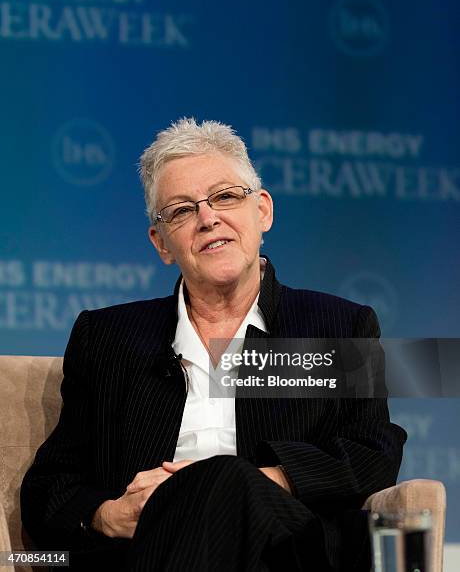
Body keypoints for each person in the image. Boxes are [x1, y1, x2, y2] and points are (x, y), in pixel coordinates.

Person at [20, 118, 407, 571]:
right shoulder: (108, 338)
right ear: (161, 243)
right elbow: (50, 486)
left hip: (284, 553)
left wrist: (260, 482)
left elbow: (373, 451)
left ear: (262, 211)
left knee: (222, 477)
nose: (208, 218)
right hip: (141, 552)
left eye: (225, 196)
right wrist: (110, 515)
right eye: (181, 211)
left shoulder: (337, 325)